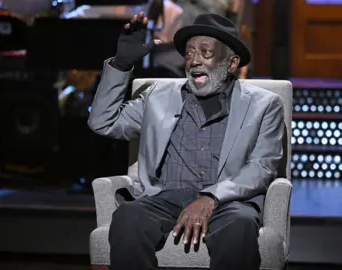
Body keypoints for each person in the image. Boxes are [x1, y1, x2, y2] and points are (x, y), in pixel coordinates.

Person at [87, 11, 284, 270]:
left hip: (227, 202)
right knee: (128, 216)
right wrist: (121, 65)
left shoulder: (264, 105)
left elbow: (262, 167)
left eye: (206, 52)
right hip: (164, 198)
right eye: (189, 53)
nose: (194, 61)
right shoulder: (158, 96)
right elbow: (103, 122)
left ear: (232, 62)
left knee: (240, 226)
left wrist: (210, 198)